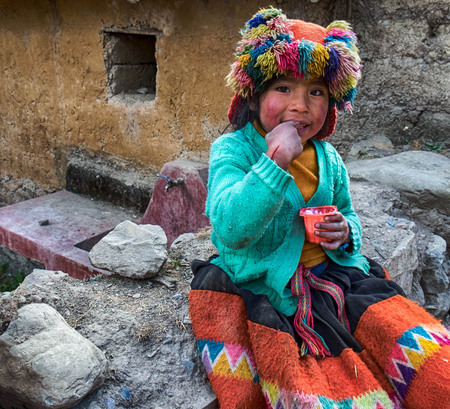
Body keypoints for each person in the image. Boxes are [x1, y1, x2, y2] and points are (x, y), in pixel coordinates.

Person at [188, 7, 450, 409]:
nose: (301, 105)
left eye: (316, 92)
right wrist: (273, 165)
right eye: (284, 88)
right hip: (266, 288)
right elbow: (229, 228)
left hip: (333, 277)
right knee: (315, 389)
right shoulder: (233, 150)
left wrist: (345, 233)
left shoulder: (328, 160)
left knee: (427, 359)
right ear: (254, 95)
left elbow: (349, 214)